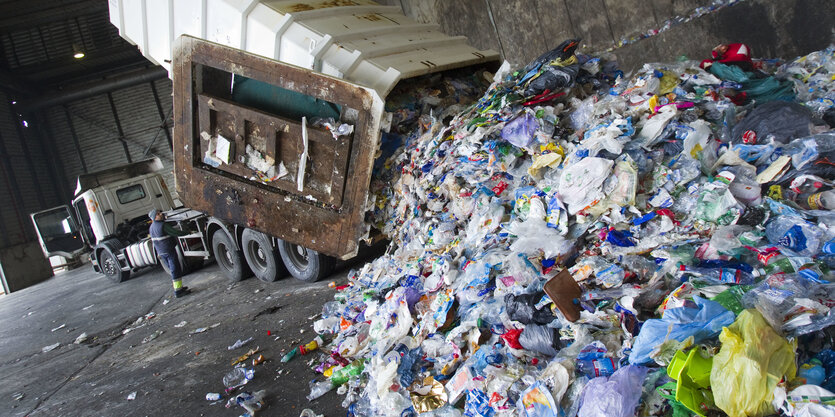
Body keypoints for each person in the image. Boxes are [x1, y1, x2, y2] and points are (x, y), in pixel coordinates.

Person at [149, 209, 191, 298]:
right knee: (175, 269)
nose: (161, 214)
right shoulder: (163, 225)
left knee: (173, 270)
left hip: (162, 252)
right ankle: (178, 291)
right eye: (158, 214)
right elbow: (175, 232)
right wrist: (188, 232)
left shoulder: (151, 227)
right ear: (155, 217)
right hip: (169, 251)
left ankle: (179, 288)